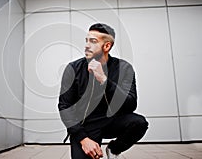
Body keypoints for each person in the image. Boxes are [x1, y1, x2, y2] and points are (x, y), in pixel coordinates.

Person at [58, 23, 148, 159]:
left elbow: (130, 104)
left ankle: (113, 149)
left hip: (112, 120)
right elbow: (65, 107)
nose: (87, 45)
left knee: (139, 123)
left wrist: (104, 80)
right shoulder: (73, 69)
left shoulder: (124, 68)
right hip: (86, 126)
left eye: (93, 41)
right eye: (86, 40)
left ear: (107, 46)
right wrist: (83, 139)